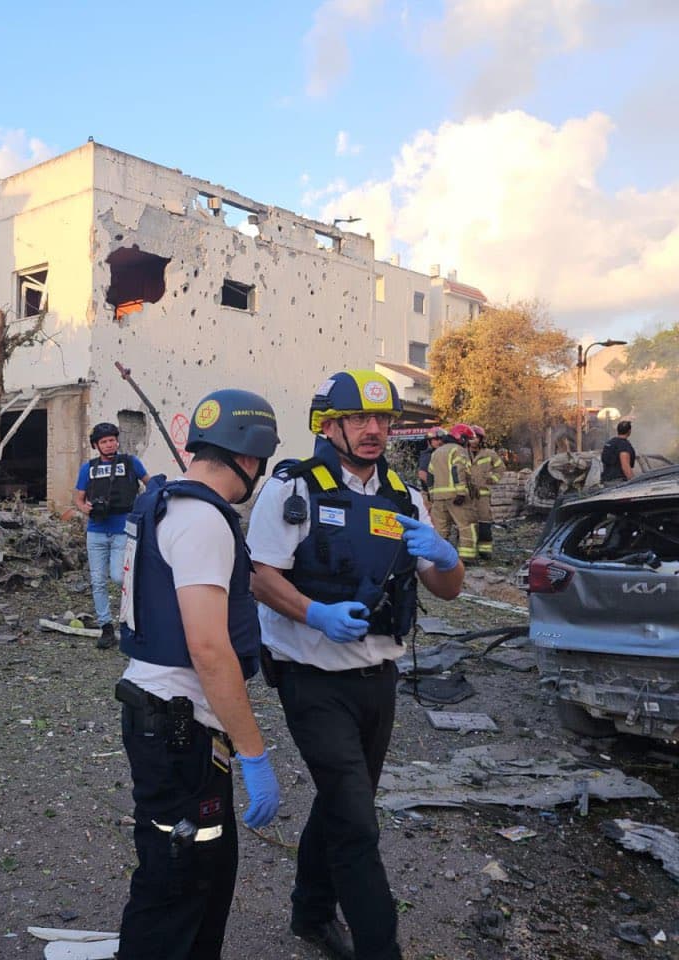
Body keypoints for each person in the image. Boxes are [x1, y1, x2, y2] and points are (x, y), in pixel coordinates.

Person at [246, 370, 464, 960]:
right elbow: (261, 577)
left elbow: (447, 588)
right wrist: (315, 614)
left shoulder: (404, 496)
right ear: (329, 425)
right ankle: (378, 947)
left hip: (378, 680)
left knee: (344, 802)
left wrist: (448, 556)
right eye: (360, 419)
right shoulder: (292, 489)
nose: (374, 430)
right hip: (311, 679)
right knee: (358, 825)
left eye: (383, 419)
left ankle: (310, 914)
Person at [113, 389, 282, 960]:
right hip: (178, 727)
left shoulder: (165, 504)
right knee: (178, 880)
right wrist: (254, 753)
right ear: (251, 457)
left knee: (203, 870)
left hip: (165, 718)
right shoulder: (205, 520)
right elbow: (209, 649)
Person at [74, 421, 147, 648]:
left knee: (118, 576)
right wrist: (84, 508)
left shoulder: (131, 463)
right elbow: (78, 498)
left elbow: (150, 484)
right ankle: (106, 627)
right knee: (98, 581)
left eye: (112, 440)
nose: (109, 444)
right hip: (96, 531)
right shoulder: (88, 468)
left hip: (122, 530)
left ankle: (134, 620)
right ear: (96, 445)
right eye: (104, 441)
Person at [427, 424, 477, 564]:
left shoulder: (436, 452)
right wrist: (461, 492)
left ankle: (439, 559)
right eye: (467, 439)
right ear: (461, 438)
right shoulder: (458, 450)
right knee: (466, 526)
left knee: (440, 530)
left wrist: (432, 495)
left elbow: (430, 476)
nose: (468, 443)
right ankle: (466, 558)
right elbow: (458, 470)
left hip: (438, 498)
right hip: (455, 497)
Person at [467, 425, 504, 561]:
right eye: (471, 438)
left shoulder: (489, 454)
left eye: (476, 437)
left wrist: (492, 479)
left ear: (481, 439)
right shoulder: (461, 453)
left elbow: (500, 468)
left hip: (483, 495)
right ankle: (467, 552)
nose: (473, 440)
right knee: (466, 524)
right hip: (466, 495)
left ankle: (485, 552)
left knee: (484, 523)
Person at [415, 427, 447, 491]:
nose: (440, 441)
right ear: (429, 441)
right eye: (436, 439)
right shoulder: (428, 455)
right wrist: (436, 487)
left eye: (441, 439)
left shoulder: (445, 454)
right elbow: (422, 474)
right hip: (434, 493)